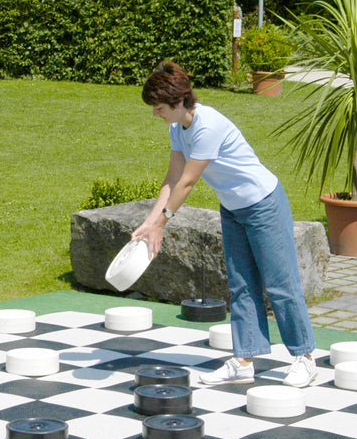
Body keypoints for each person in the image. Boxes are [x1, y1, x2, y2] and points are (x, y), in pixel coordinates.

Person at [132, 61, 317, 387]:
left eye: (159, 108)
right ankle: (244, 360)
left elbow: (188, 183)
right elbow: (172, 177)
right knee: (242, 285)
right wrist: (149, 222)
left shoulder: (208, 126)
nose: (155, 114)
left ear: (178, 102)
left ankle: (305, 357)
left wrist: (163, 224)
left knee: (279, 284)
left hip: (264, 204)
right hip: (233, 208)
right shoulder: (177, 127)